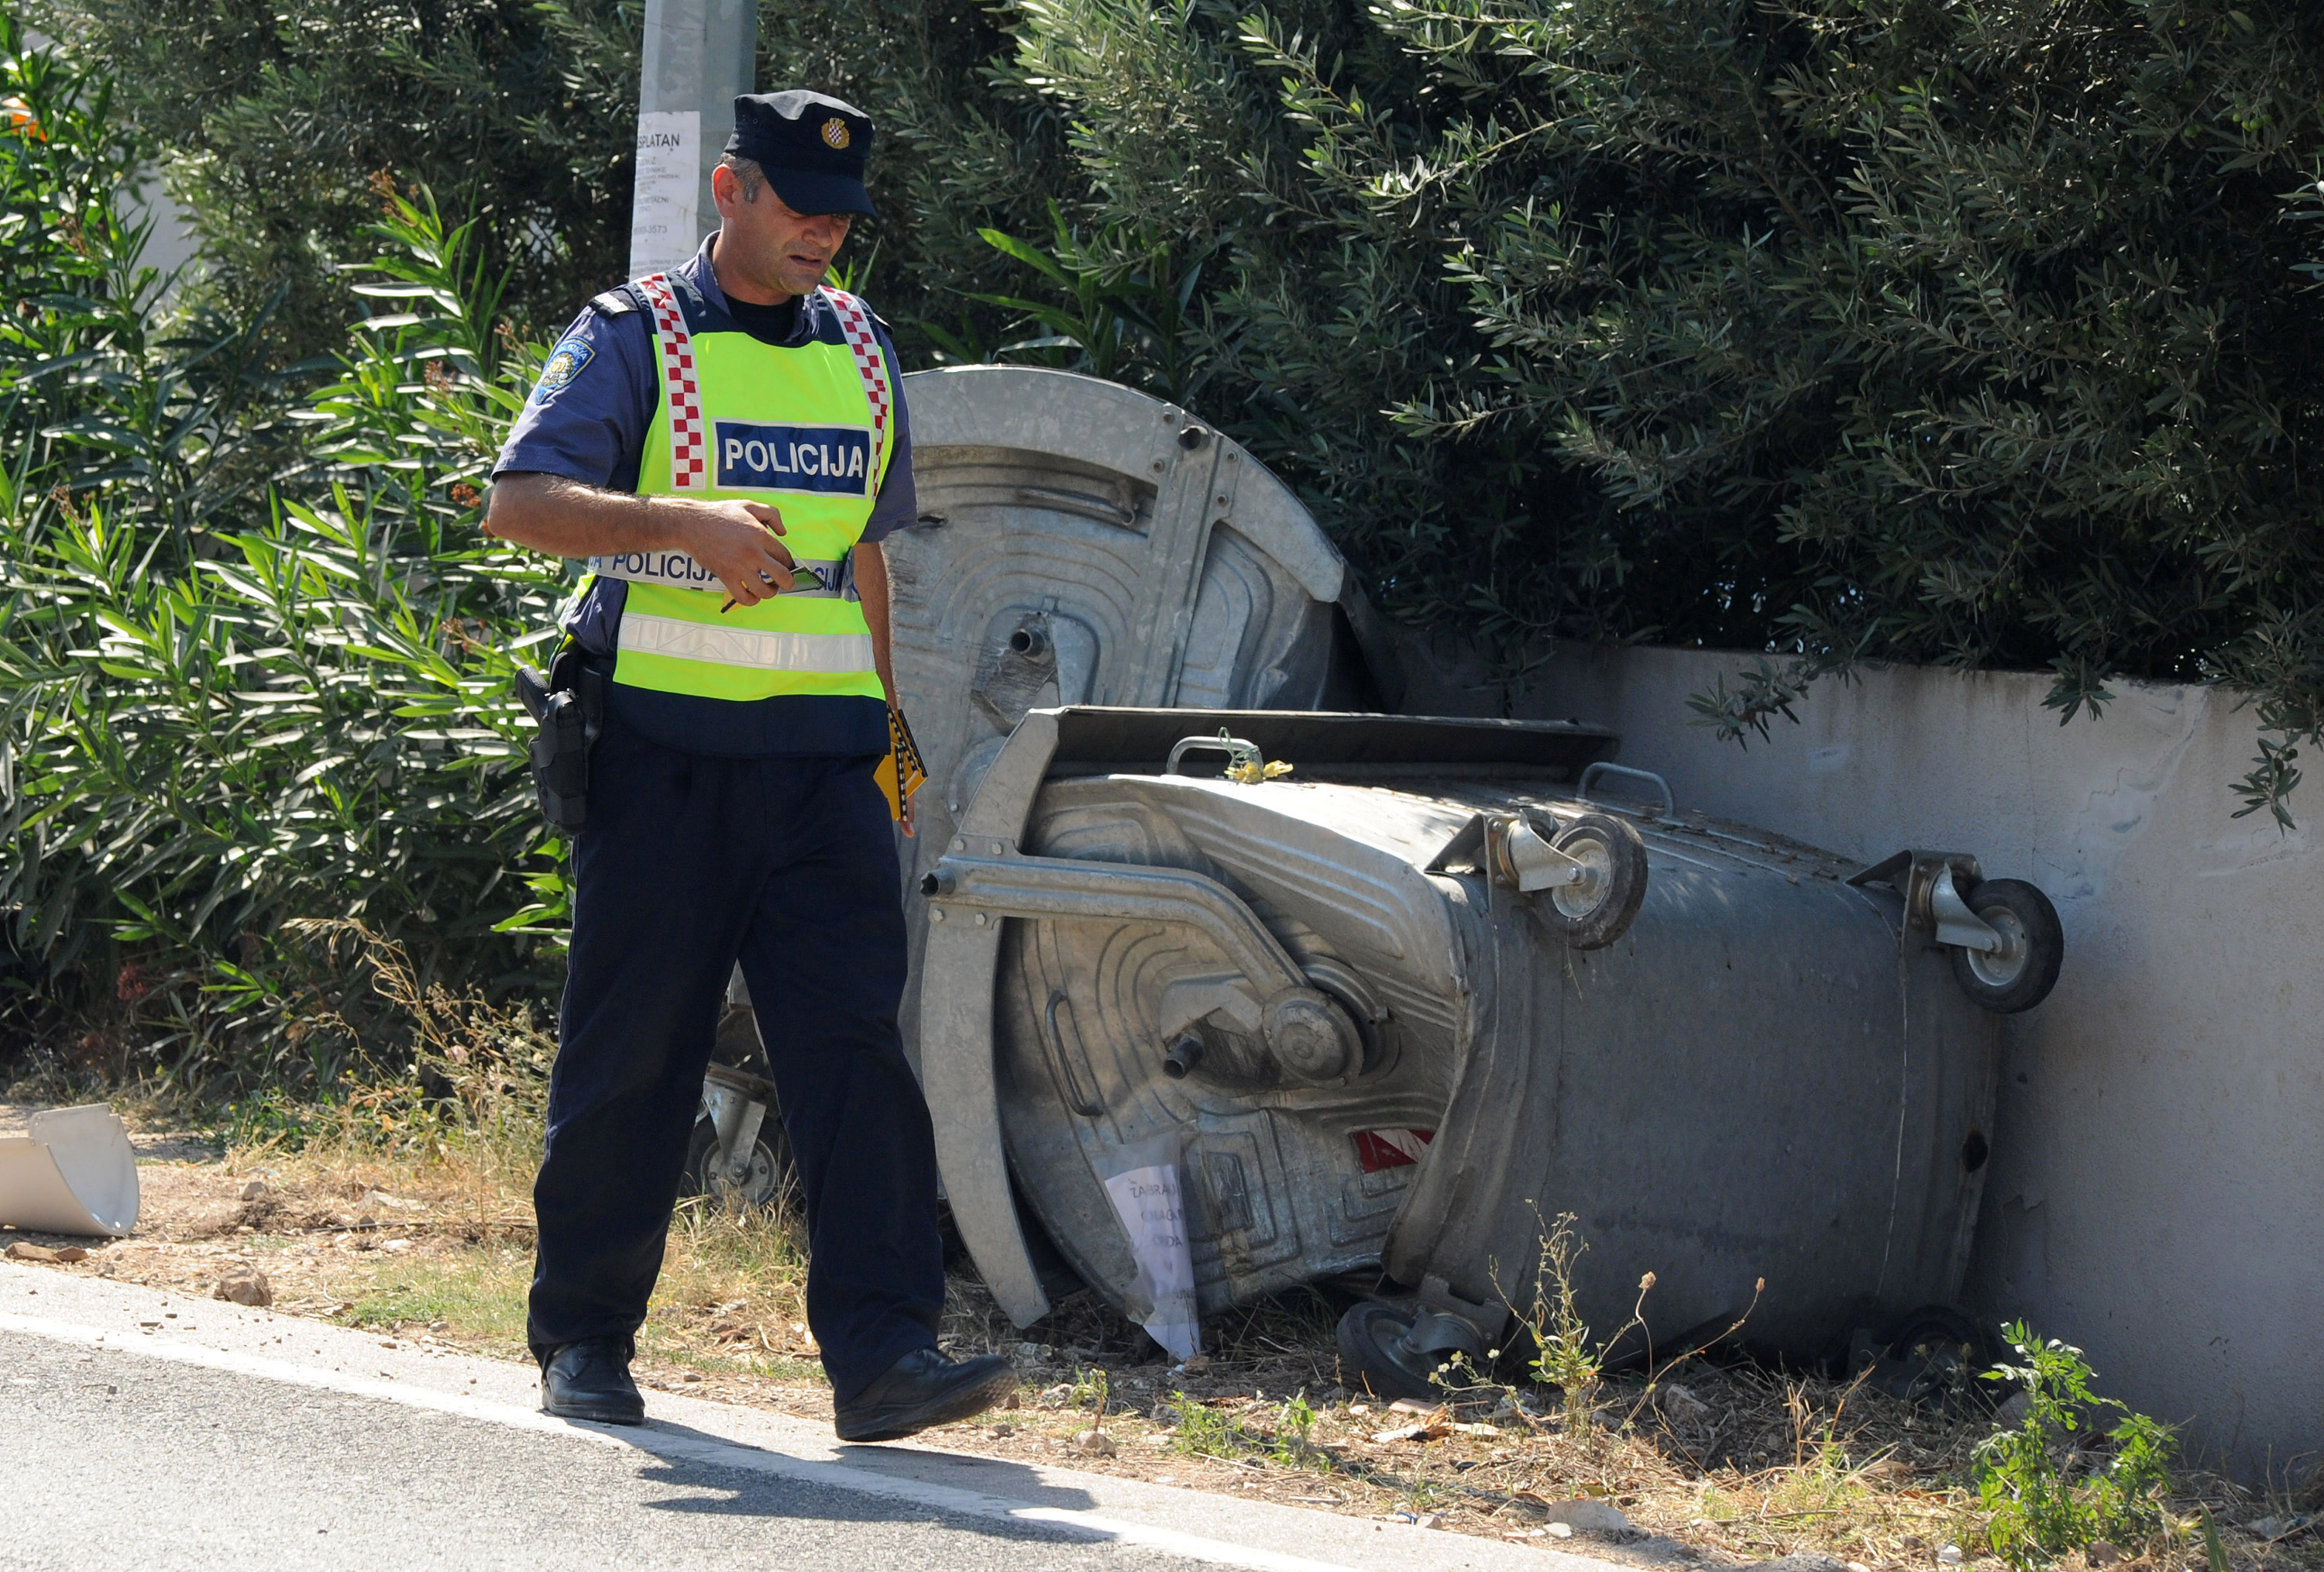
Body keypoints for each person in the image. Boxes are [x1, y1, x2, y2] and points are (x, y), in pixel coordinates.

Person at [483, 89, 1015, 1441]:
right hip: (663, 756)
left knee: (856, 1064)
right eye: (797, 202)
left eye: (841, 211)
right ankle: (586, 1339)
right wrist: (686, 524)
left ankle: (885, 1355)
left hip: (826, 768)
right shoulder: (634, 337)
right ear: (729, 190)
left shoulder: (862, 344)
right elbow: (521, 504)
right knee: (635, 1056)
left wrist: (891, 741)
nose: (824, 231)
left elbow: (864, 557)